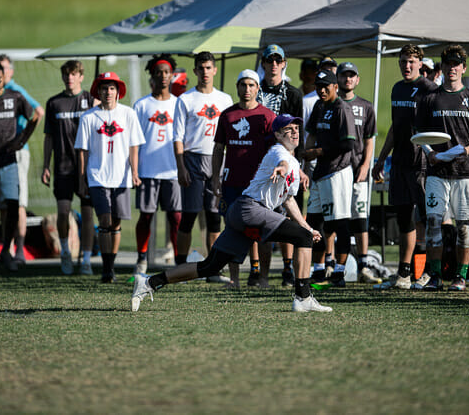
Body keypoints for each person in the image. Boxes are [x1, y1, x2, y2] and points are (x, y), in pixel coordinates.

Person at [131, 114, 331, 313]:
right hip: (251, 210)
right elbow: (282, 163)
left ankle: (149, 282)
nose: (295, 131)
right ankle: (303, 297)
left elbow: (288, 200)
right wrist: (281, 169)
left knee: (209, 267)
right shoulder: (279, 152)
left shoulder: (294, 163)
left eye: (297, 127)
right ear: (278, 135)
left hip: (242, 211)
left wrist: (307, 226)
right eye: (288, 129)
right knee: (302, 238)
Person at [416, 44, 469, 291]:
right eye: (448, 64)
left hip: (467, 171)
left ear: (463, 68)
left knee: (464, 227)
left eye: (456, 64)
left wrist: (467, 150)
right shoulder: (430, 99)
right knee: (434, 223)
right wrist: (431, 154)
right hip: (438, 171)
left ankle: (460, 276)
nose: (452, 68)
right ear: (443, 67)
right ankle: (435, 275)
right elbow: (419, 134)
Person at [372, 44, 438, 290]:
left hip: (422, 164)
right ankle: (404, 273)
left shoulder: (430, 90)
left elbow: (439, 130)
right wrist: (381, 159)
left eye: (411, 61)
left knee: (429, 219)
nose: (407, 66)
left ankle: (432, 272)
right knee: (403, 219)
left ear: (420, 63)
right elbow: (395, 127)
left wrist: (434, 156)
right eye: (402, 61)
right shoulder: (397, 88)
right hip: (399, 163)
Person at [75, 72, 145, 283]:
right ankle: (106, 270)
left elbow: (134, 145)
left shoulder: (128, 114)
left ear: (118, 91)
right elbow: (82, 150)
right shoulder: (89, 117)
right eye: (104, 88)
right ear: (98, 91)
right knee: (104, 219)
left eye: (112, 88)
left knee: (116, 222)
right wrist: (82, 178)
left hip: (121, 177)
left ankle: (111, 264)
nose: (108, 92)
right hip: (98, 175)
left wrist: (134, 171)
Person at [213, 69, 277, 288]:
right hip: (232, 183)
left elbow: (277, 150)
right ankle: (234, 280)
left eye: (251, 85)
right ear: (237, 87)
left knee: (263, 232)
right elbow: (218, 149)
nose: (247, 89)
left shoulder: (267, 117)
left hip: (259, 185)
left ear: (258, 88)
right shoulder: (228, 115)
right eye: (243, 85)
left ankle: (264, 279)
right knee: (232, 230)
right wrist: (215, 178)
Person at [172, 51, 233, 280]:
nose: (205, 72)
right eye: (201, 68)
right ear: (195, 71)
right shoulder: (185, 100)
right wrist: (181, 166)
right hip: (193, 159)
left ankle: (213, 268)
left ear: (214, 70)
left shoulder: (225, 99)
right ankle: (179, 266)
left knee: (214, 215)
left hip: (217, 159)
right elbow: (177, 136)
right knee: (189, 215)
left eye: (209, 68)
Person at [0, 61, 39, 273]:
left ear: (5, 77)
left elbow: (35, 116)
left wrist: (21, 141)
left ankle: (6, 253)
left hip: (9, 163)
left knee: (13, 208)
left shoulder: (15, 97)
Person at [42, 60, 98, 275]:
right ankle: (66, 253)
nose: (70, 78)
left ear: (81, 76)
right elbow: (48, 138)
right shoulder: (54, 103)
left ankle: (85, 259)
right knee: (63, 213)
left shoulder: (91, 100)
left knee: (87, 214)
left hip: (87, 168)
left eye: (74, 74)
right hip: (63, 167)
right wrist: (46, 165)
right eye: (66, 74)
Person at [257, 44, 305, 286]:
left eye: (278, 60)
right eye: (269, 60)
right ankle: (260, 273)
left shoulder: (293, 94)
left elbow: (298, 133)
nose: (274, 64)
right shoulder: (254, 91)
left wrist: (296, 166)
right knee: (263, 216)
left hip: (286, 161)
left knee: (288, 215)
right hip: (261, 164)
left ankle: (288, 269)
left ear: (284, 63)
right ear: (263, 63)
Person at [303, 69, 357, 287]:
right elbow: (311, 134)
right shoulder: (319, 106)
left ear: (336, 86)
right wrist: (305, 163)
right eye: (318, 86)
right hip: (320, 173)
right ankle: (318, 270)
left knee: (339, 222)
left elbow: (348, 144)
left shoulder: (341, 108)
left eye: (326, 86)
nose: (322, 90)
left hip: (338, 172)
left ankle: (339, 273)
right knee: (313, 222)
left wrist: (318, 152)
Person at [132, 54, 184, 274]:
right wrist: (134, 170)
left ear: (172, 75)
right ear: (152, 75)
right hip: (148, 170)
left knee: (176, 217)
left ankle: (179, 260)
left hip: (172, 170)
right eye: (159, 72)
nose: (163, 76)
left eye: (167, 72)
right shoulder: (141, 105)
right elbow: (134, 141)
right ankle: (141, 259)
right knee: (146, 216)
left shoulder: (179, 103)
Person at [0, 54, 45, 270]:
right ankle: (5, 248)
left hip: (17, 153)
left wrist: (20, 139)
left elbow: (38, 111)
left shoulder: (16, 91)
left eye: (5, 69)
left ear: (11, 71)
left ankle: (20, 250)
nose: (2, 73)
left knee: (19, 203)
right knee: (4, 206)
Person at [336, 61, 379, 282]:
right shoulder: (330, 105)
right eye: (344, 75)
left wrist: (365, 165)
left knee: (360, 218)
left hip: (358, 171)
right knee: (336, 219)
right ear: (338, 78)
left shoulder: (366, 106)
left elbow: (370, 139)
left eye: (352, 75)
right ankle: (332, 265)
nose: (348, 79)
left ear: (357, 79)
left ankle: (363, 266)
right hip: (336, 170)